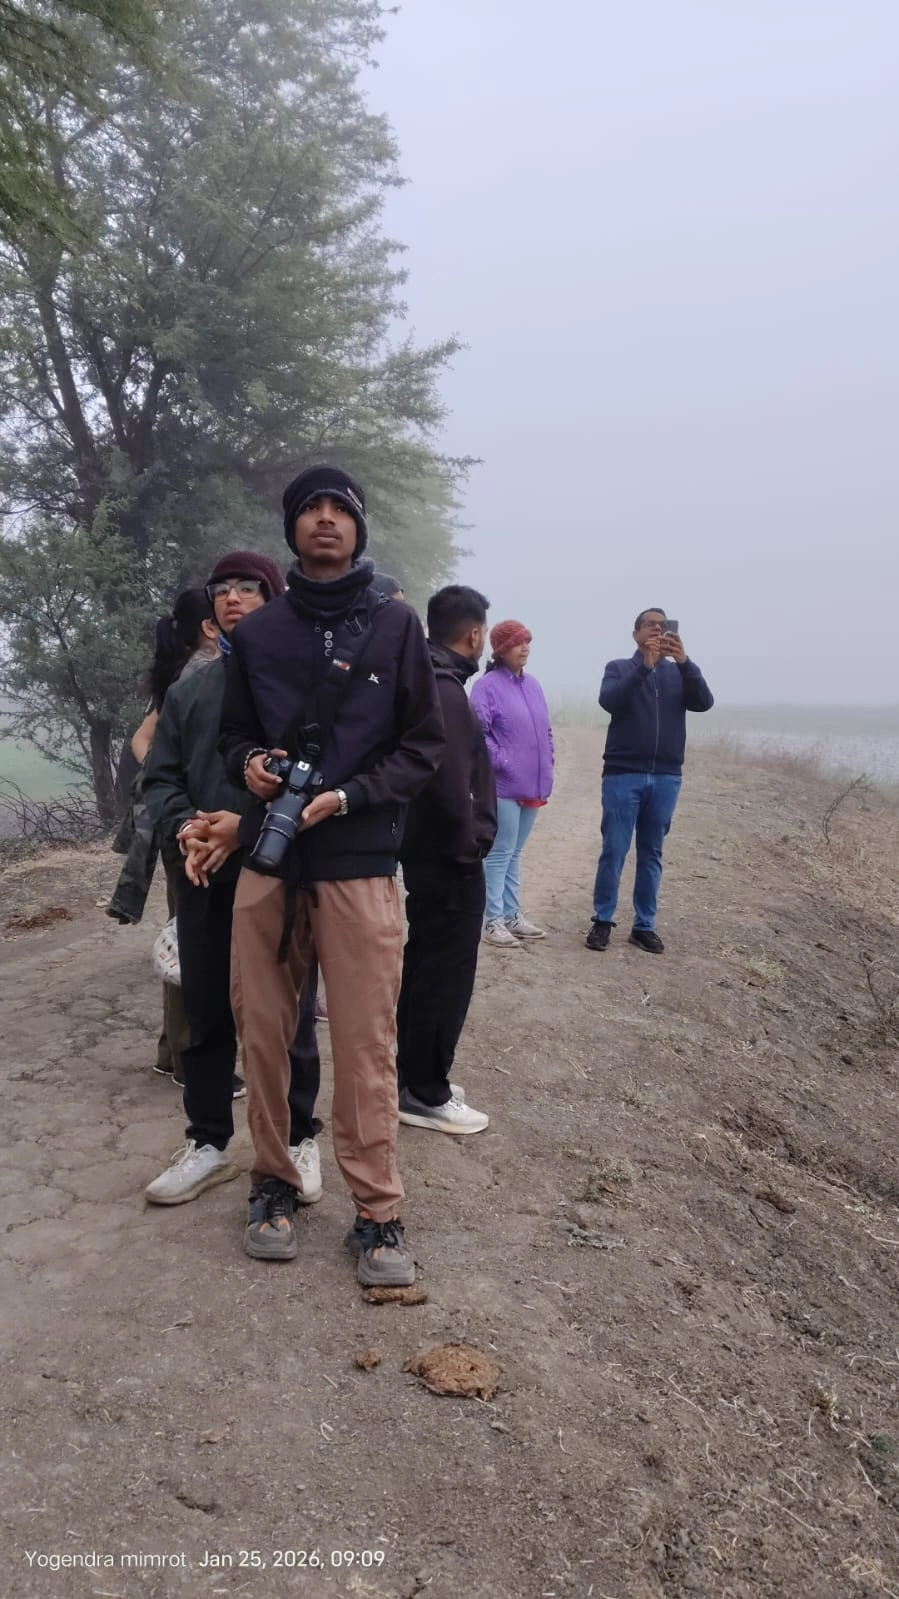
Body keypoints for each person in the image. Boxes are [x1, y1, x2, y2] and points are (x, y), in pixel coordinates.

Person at [219, 465, 444, 1280]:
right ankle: (273, 1182)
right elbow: (232, 736)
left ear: (357, 527)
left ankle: (377, 1214)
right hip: (270, 859)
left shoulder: (395, 625)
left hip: (358, 862)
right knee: (264, 1035)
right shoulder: (257, 634)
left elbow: (422, 745)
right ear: (291, 527)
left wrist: (351, 795)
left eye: (338, 508)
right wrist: (251, 765)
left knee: (364, 1043)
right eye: (309, 508)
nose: (323, 519)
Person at [142, 552, 323, 1209]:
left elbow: (314, 778)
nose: (233, 598)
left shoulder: (301, 686)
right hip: (204, 874)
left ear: (275, 603)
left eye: (250, 588)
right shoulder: (189, 693)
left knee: (288, 1015)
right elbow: (159, 778)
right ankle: (208, 1142)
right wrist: (188, 826)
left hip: (279, 872)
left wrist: (239, 828)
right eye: (222, 589)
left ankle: (299, 1136)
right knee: (206, 1012)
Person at [107, 587, 219, 1084]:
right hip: (192, 828)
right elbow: (148, 740)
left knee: (185, 933)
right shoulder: (202, 673)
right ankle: (188, 1056)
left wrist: (164, 781)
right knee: (193, 938)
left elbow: (142, 738)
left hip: (183, 823)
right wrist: (175, 787)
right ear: (210, 626)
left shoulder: (187, 671)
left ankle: (171, 1051)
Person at [396, 585, 497, 1135]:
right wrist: (470, 847)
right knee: (446, 973)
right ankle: (427, 1091)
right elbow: (453, 785)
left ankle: (410, 1075)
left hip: (425, 852)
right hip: (450, 859)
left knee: (424, 963)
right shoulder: (447, 692)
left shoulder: (425, 680)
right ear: (475, 633)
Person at [586, 609, 714, 954]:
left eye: (663, 626)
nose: (657, 630)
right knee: (614, 849)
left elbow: (704, 702)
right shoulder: (619, 668)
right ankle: (602, 921)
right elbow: (610, 701)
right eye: (650, 625)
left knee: (651, 852)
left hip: (666, 776)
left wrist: (684, 662)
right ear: (636, 633)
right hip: (622, 773)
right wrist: (644, 666)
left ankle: (644, 926)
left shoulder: (678, 673)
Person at [470, 619, 554, 948]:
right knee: (499, 852)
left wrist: (548, 762)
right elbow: (477, 734)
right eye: (518, 643)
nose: (525, 648)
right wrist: (503, 761)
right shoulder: (486, 686)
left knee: (515, 851)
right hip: (502, 785)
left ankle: (511, 915)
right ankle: (492, 920)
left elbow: (545, 730)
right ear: (501, 649)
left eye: (527, 642)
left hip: (532, 783)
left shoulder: (533, 685)